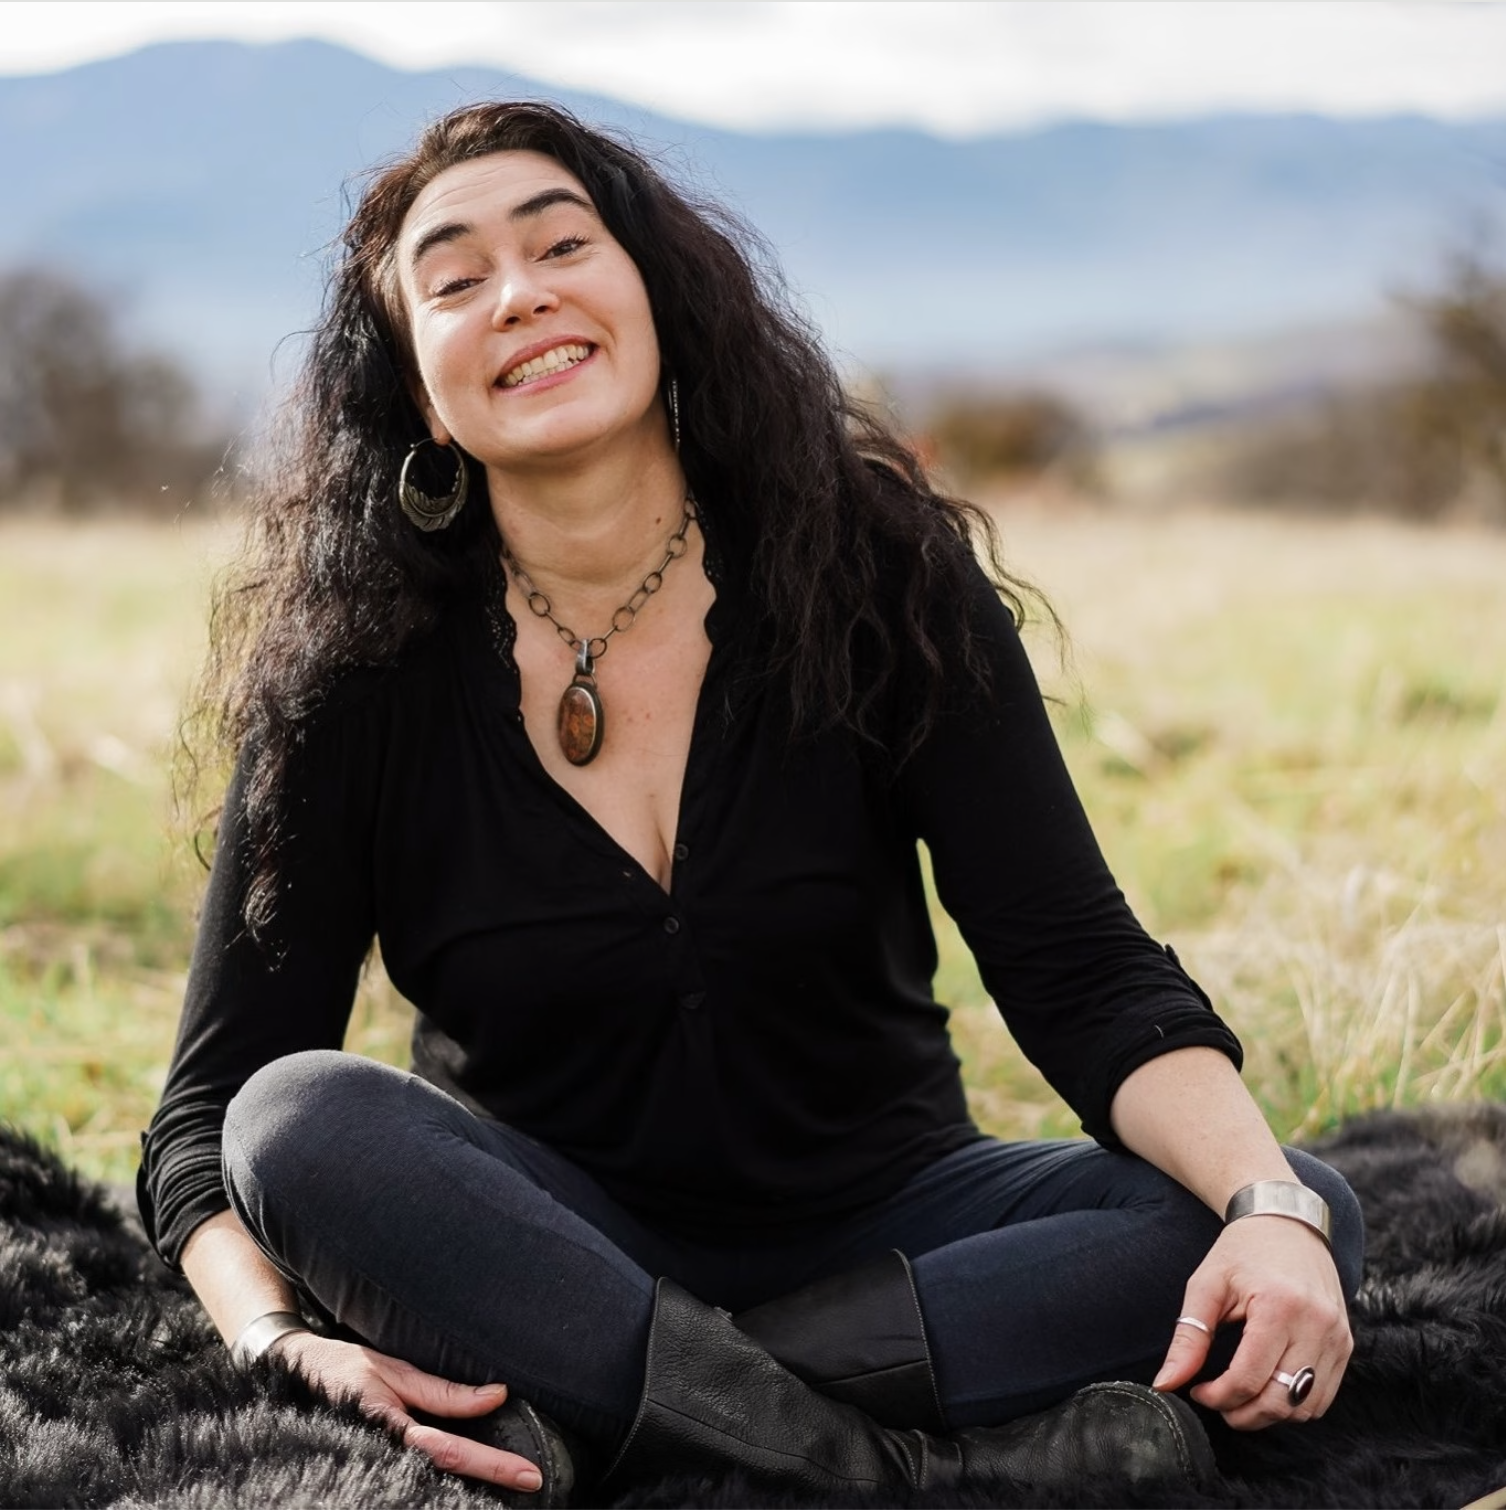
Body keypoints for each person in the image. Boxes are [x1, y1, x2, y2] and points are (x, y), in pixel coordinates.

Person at [138, 101, 1362, 1505]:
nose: (519, 293)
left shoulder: (872, 579)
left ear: (654, 295)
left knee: (1292, 1207)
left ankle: (672, 1428)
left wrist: (1264, 1209)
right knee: (301, 1122)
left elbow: (1082, 972)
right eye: (456, 279)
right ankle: (891, 1466)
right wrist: (277, 1335)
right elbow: (211, 1111)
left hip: (899, 1238)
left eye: (559, 246)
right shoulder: (355, 677)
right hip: (544, 1244)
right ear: (423, 389)